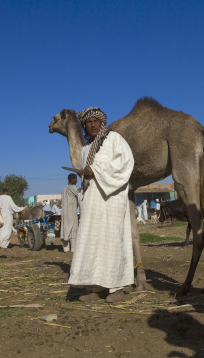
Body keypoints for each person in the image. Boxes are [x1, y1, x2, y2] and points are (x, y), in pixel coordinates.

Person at [68, 107, 135, 303]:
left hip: (111, 199)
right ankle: (96, 288)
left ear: (102, 123)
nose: (93, 124)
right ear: (84, 126)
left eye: (96, 121)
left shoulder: (115, 139)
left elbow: (126, 164)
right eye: (89, 122)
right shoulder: (85, 149)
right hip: (92, 202)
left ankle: (117, 288)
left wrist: (95, 170)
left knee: (112, 240)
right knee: (93, 242)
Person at [61, 174, 79, 253]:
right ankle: (73, 248)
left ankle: (66, 248)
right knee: (73, 229)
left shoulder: (64, 188)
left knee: (66, 228)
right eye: (76, 179)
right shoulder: (73, 188)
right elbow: (80, 196)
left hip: (65, 212)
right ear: (72, 179)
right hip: (71, 212)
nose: (77, 180)